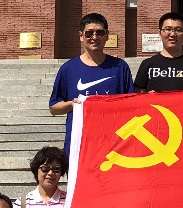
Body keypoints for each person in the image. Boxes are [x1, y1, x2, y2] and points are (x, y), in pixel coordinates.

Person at [49, 12, 134, 153]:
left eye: (99, 32)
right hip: (79, 144)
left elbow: (131, 106)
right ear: (81, 36)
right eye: (89, 33)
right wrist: (71, 105)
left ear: (107, 35)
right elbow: (53, 108)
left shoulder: (120, 67)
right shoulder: (68, 69)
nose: (94, 37)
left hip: (113, 145)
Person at [134, 12, 183, 93]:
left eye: (178, 30)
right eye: (168, 29)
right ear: (160, 33)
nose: (173, 34)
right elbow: (138, 95)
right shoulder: (147, 64)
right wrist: (147, 96)